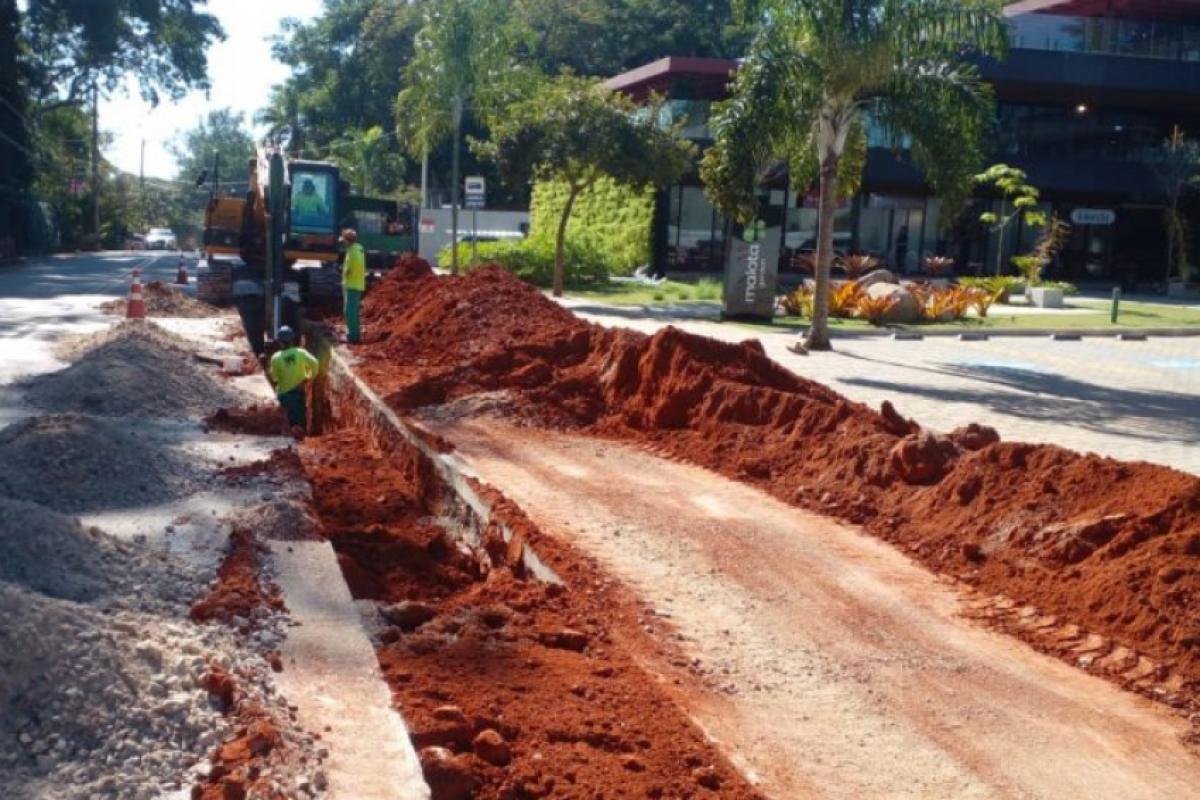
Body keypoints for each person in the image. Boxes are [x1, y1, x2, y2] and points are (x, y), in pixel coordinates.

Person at [269, 326, 319, 438]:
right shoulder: (301, 352)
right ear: (292, 340)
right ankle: (300, 441)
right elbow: (315, 363)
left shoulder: (275, 358)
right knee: (299, 420)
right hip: (297, 393)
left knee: (286, 421)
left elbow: (275, 378)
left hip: (283, 394)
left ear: (279, 342)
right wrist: (309, 377)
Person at [341, 228, 366, 344]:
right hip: (357, 283)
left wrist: (346, 275)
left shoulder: (352, 251)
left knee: (349, 311)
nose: (343, 243)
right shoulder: (359, 248)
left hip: (352, 284)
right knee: (353, 311)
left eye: (344, 240)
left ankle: (353, 336)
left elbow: (350, 268)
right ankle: (354, 333)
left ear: (348, 240)